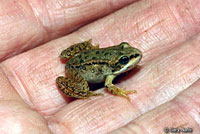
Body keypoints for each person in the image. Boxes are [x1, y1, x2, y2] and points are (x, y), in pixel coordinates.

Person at [0, 0, 199, 133]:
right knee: (84, 88)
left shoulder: (115, 62)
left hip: (80, 58)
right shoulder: (110, 74)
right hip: (76, 71)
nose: (132, 59)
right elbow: (110, 86)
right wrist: (121, 93)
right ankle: (85, 92)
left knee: (67, 57)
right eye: (124, 61)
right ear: (117, 65)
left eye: (125, 56)